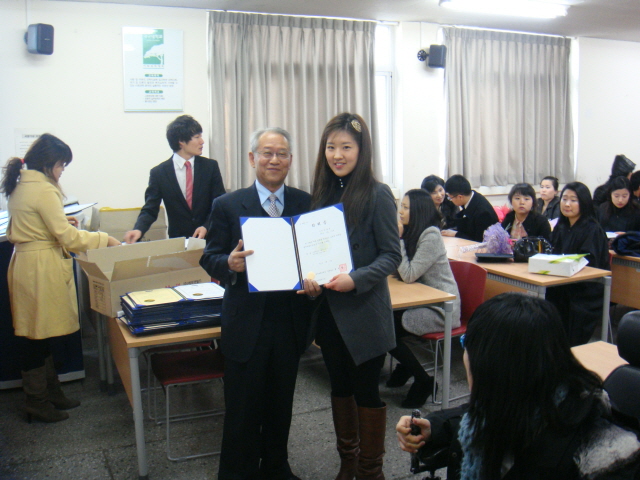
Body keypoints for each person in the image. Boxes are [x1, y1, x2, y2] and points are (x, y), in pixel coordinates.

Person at [396, 293, 640, 480]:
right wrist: (436, 427)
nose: (466, 356)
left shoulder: (602, 457)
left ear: (498, 368)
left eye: (468, 346)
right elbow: (483, 414)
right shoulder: (527, 397)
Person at [199, 127, 311, 480]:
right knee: (243, 409)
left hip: (290, 321)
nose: (274, 160)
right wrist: (228, 264)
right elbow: (209, 256)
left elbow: (315, 256)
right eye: (267, 153)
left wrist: (317, 282)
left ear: (291, 160)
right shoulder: (228, 205)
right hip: (247, 323)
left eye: (282, 153)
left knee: (281, 404)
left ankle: (277, 467)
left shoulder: (306, 203)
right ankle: (238, 472)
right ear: (252, 158)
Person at [300, 113, 401, 480]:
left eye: (346, 147)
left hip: (364, 311)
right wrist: (309, 279)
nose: (337, 155)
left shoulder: (377, 194)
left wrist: (355, 280)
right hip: (329, 312)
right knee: (340, 388)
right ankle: (348, 462)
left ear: (362, 150)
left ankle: (371, 471)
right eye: (331, 147)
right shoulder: (321, 195)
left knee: (366, 391)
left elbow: (392, 256)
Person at [1, 134, 120, 423]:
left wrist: (60, 221)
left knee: (37, 332)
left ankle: (49, 392)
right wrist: (104, 239)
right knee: (35, 337)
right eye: (61, 165)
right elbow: (68, 238)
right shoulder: (43, 188)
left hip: (26, 264)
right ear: (48, 163)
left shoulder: (21, 182)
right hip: (40, 267)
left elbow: (33, 222)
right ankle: (37, 400)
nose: (62, 170)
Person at [387, 189, 461, 409]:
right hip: (421, 300)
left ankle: (424, 380)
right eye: (401, 206)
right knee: (381, 320)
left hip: (442, 308)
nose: (401, 212)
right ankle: (407, 366)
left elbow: (409, 274)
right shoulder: (412, 231)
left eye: (406, 207)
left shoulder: (431, 235)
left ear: (419, 210)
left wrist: (398, 239)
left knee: (387, 329)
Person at [124, 115, 225, 243]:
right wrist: (138, 229)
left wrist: (206, 226)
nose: (202, 141)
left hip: (210, 239)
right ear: (181, 141)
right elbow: (150, 208)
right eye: (197, 137)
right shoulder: (159, 173)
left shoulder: (210, 167)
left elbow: (219, 203)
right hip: (178, 241)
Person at [546, 182, 610, 346]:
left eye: (573, 200)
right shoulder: (561, 226)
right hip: (560, 283)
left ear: (584, 203)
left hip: (584, 290)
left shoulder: (592, 229)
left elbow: (589, 265)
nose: (567, 204)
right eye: (564, 199)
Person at [441, 175, 499, 242]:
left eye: (450, 198)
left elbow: (478, 241)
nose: (450, 200)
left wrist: (456, 234)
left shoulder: (483, 213)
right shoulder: (471, 197)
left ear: (460, 197)